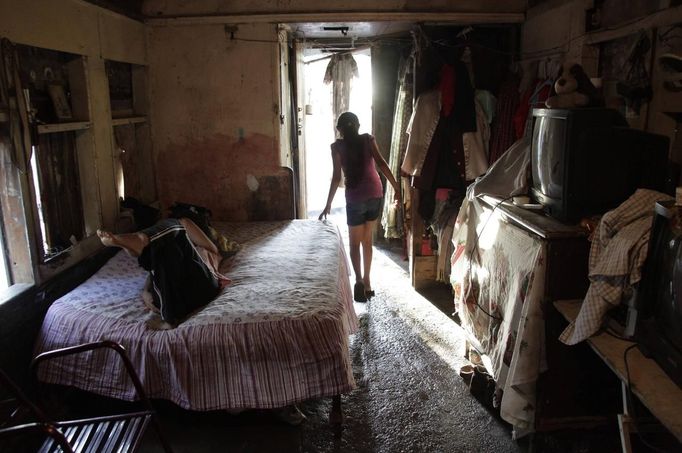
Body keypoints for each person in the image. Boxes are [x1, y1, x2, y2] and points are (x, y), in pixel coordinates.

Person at [319, 112, 401, 302]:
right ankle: (368, 282)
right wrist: (396, 186)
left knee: (354, 243)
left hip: (355, 197)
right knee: (367, 240)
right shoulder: (367, 140)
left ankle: (358, 280)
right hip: (374, 193)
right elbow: (381, 163)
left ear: (339, 130)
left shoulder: (337, 147)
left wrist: (328, 203)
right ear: (358, 125)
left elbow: (337, 177)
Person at [97, 217, 230, 326]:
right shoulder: (168, 246)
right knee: (162, 250)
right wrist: (145, 292)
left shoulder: (210, 251)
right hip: (174, 301)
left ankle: (140, 241)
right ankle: (138, 244)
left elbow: (212, 247)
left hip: (202, 285)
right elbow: (152, 272)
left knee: (178, 224)